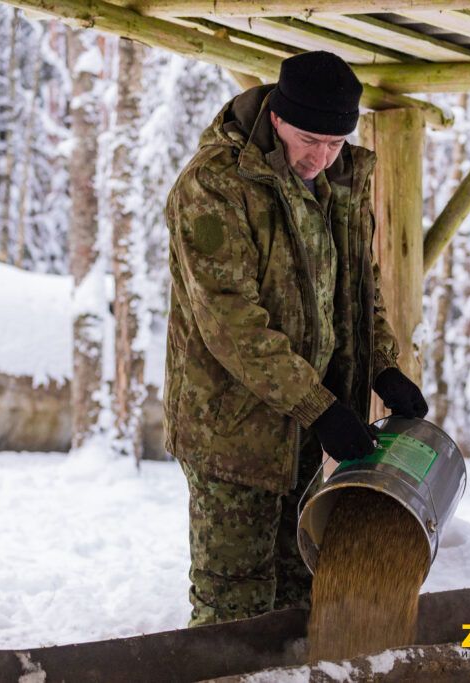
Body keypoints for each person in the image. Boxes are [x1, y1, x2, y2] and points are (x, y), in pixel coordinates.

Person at [163, 50, 429, 627]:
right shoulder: (214, 187)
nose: (322, 156)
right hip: (232, 432)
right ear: (278, 117)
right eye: (310, 138)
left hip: (309, 432)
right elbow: (231, 322)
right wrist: (319, 405)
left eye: (336, 142)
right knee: (233, 606)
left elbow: (360, 287)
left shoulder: (340, 180)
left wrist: (382, 367)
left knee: (298, 598)